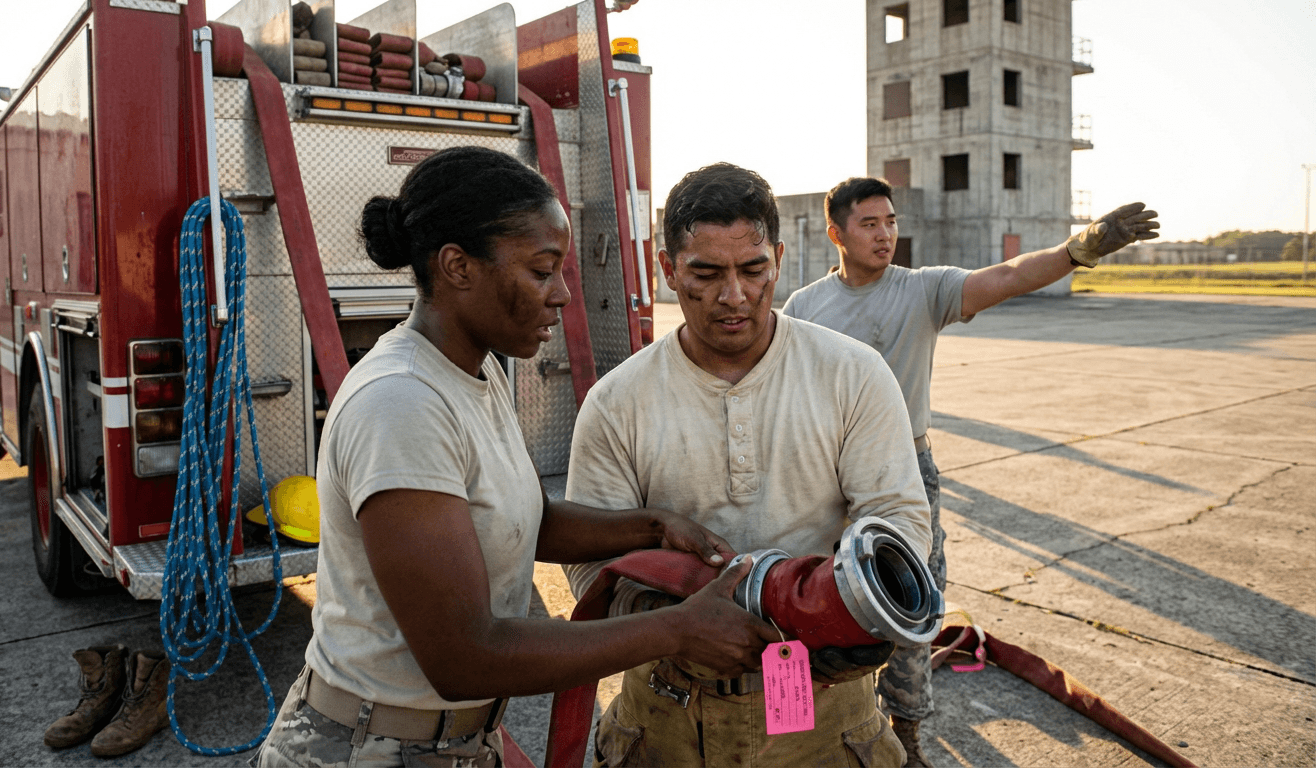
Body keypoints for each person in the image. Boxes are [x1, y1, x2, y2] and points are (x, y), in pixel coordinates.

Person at [252, 146, 778, 768]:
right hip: (372, 746)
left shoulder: (474, 372)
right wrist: (676, 630)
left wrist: (656, 525)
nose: (561, 295)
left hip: (458, 739)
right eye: (541, 270)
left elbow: (534, 520)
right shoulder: (401, 404)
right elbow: (466, 656)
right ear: (457, 267)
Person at [563, 162, 932, 767]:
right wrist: (677, 624)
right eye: (706, 273)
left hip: (823, 709)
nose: (733, 295)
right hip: (666, 714)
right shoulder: (617, 401)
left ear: (779, 259)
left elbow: (900, 521)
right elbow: (590, 562)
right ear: (667, 270)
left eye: (753, 269)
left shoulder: (853, 373)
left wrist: (849, 610)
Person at [782, 176, 1159, 767]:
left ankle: (904, 732)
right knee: (807, 592)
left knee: (912, 598)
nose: (886, 235)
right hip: (822, 470)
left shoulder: (923, 289)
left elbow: (1006, 276)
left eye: (891, 222)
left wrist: (1076, 249)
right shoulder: (805, 306)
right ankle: (816, 726)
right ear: (837, 233)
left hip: (903, 467)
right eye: (869, 224)